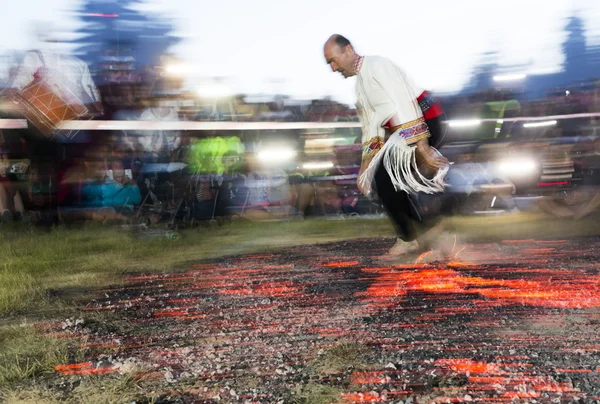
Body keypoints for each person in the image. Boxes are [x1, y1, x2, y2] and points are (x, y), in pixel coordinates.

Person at [323, 34, 455, 260]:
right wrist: (365, 167)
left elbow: (404, 102)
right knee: (385, 179)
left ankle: (415, 237)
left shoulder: (377, 65)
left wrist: (421, 145)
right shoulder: (360, 87)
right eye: (329, 64)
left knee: (386, 176)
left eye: (334, 60)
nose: (334, 68)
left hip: (425, 120)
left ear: (348, 50)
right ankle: (421, 235)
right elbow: (372, 129)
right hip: (407, 129)